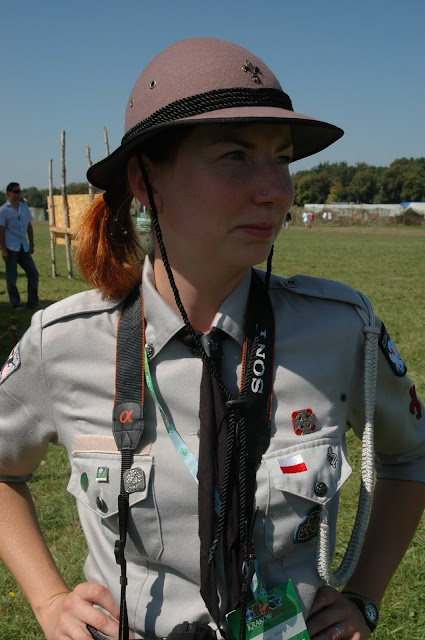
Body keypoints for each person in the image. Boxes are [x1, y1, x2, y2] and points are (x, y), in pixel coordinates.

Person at [0, 37, 424, 640]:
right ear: (146, 180)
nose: (275, 190)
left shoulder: (340, 330)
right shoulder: (63, 343)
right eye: (234, 156)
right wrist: (47, 600)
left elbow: (411, 455)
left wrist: (365, 599)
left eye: (282, 159)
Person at [0, 182, 39, 309]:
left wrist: (31, 243)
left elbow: (29, 226)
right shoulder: (3, 210)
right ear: (9, 193)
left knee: (33, 273)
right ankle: (15, 303)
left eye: (19, 191)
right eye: (16, 191)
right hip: (11, 248)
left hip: (24, 246)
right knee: (12, 278)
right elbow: (1, 231)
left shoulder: (24, 207)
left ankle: (32, 303)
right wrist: (3, 250)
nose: (18, 194)